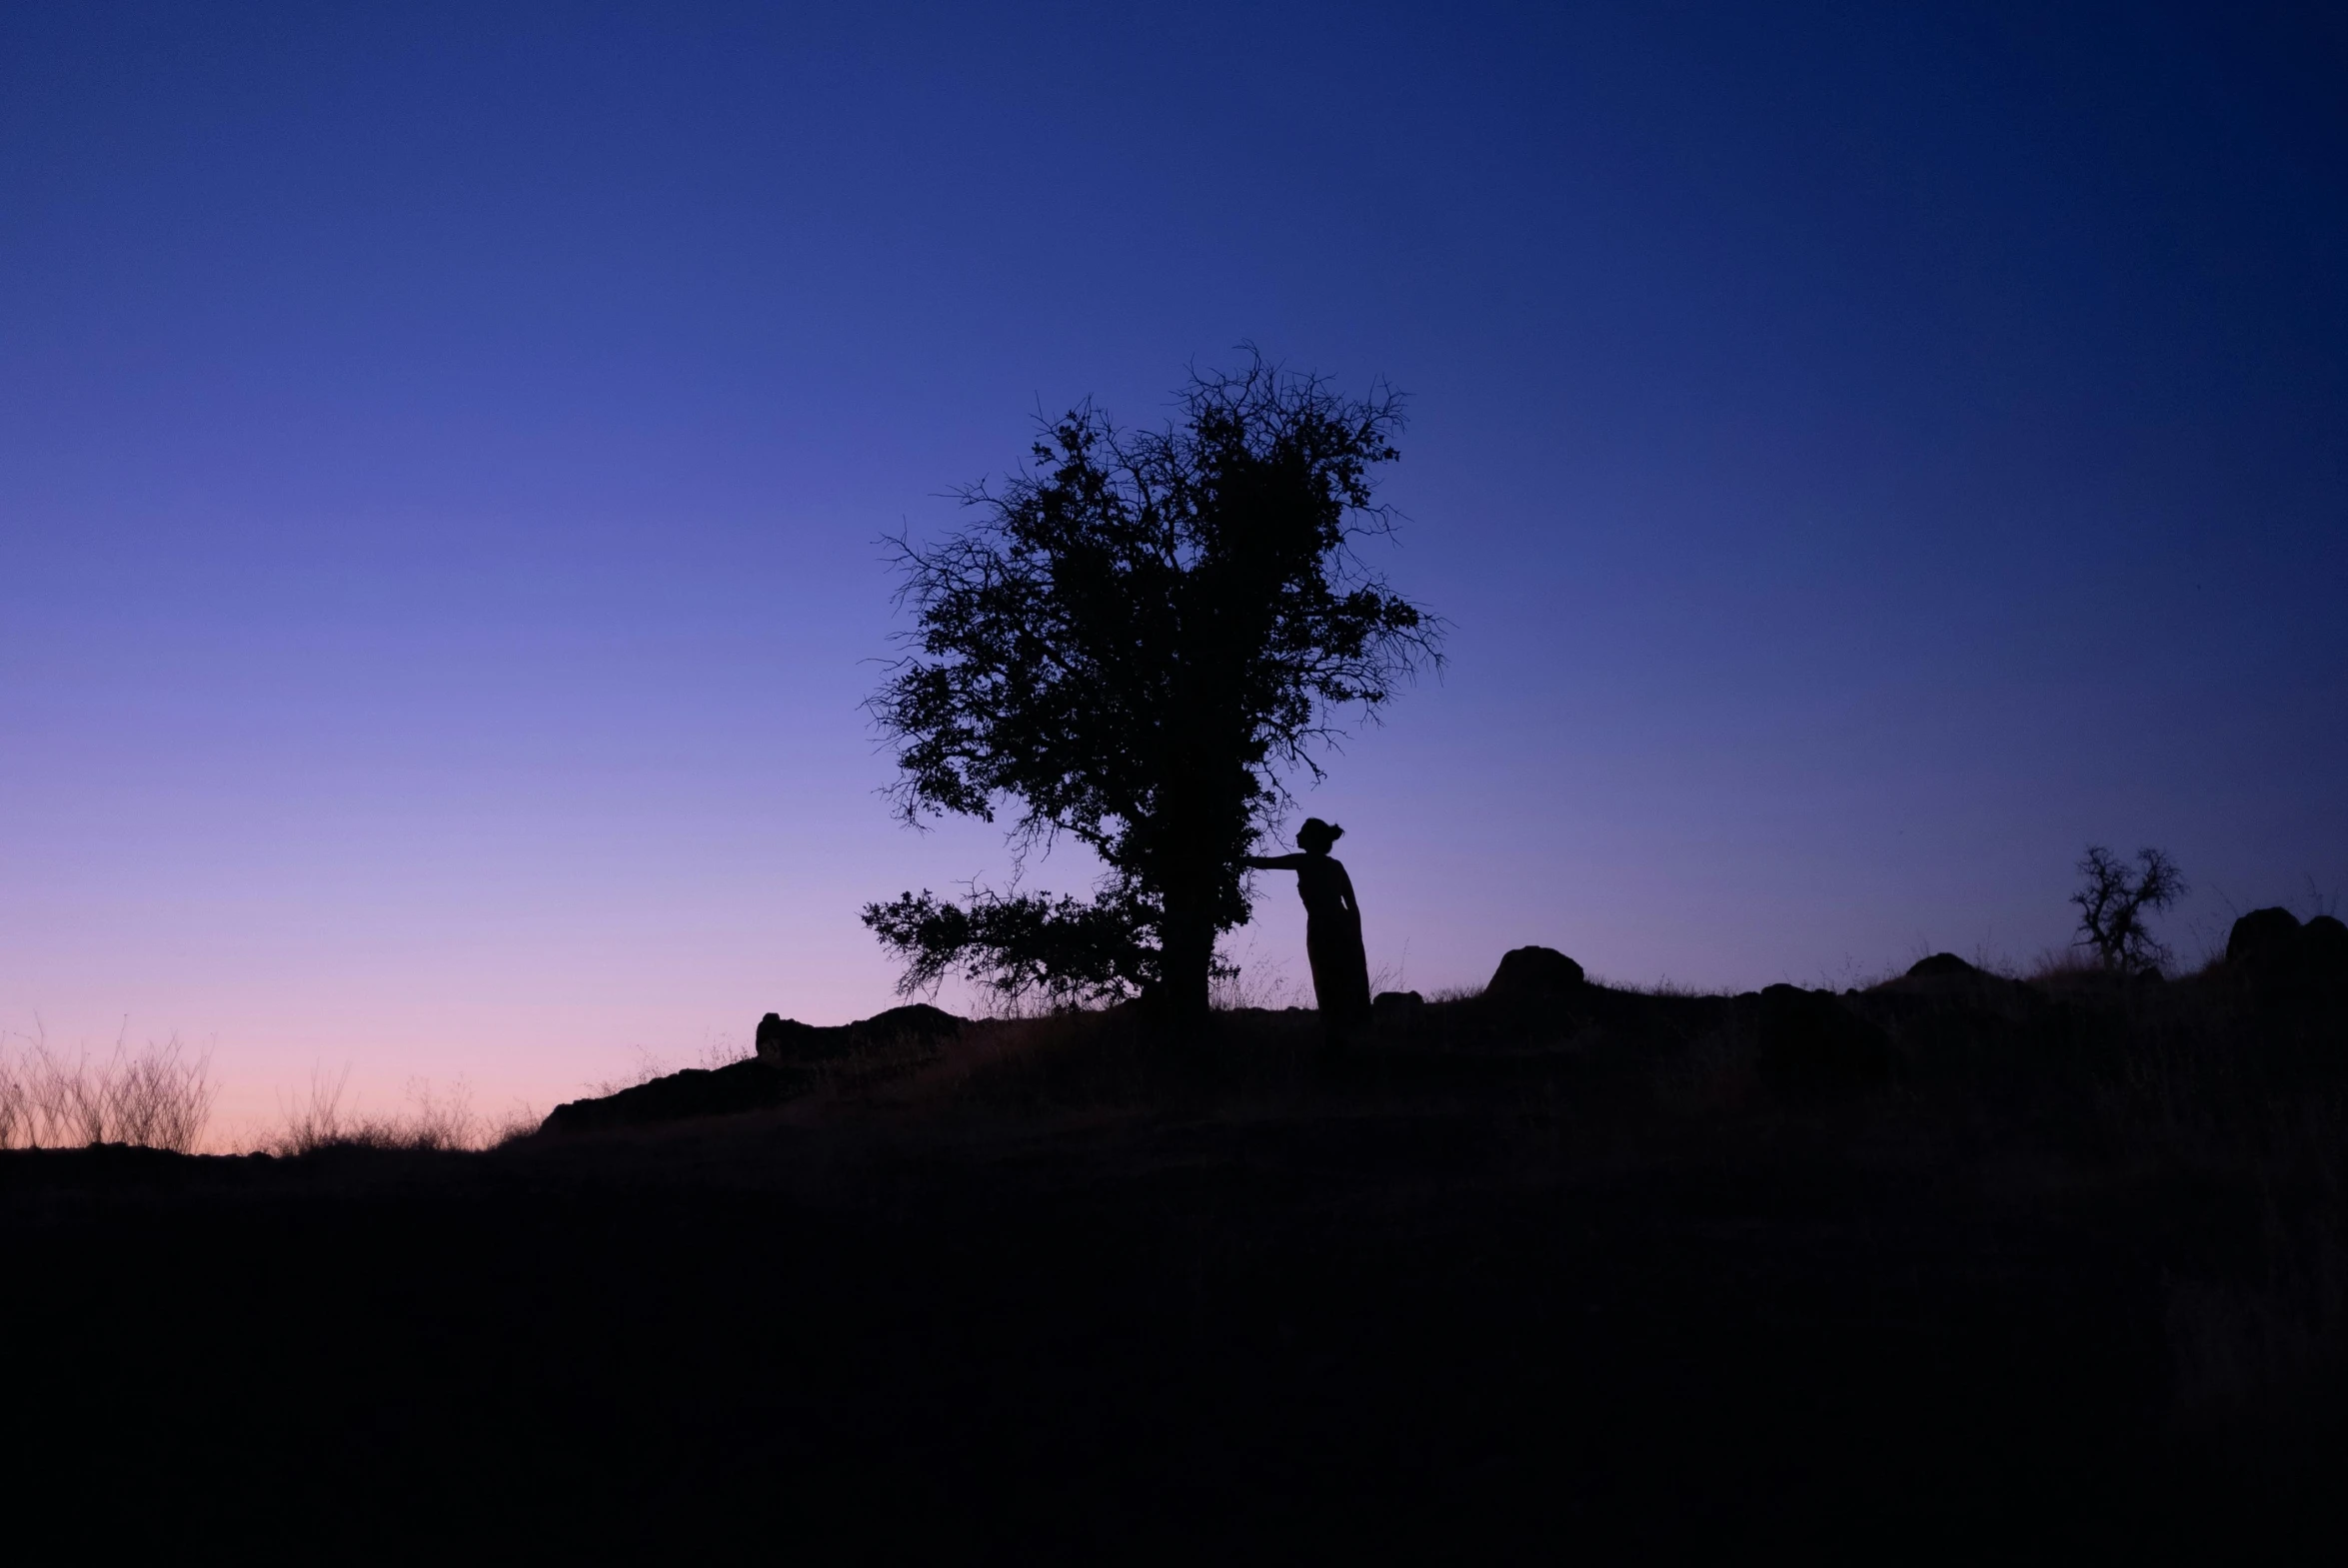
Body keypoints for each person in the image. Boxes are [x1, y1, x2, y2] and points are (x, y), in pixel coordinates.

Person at [1244, 818, 1373, 1042]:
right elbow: (1352, 905)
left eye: (1302, 832)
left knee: (1326, 979)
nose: (1297, 835)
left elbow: (1265, 863)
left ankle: (1333, 1034)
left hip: (1323, 925)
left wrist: (1235, 857)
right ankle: (1349, 1031)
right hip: (1343, 925)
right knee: (1345, 979)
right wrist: (1355, 934)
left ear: (1311, 839)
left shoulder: (1304, 862)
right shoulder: (1336, 866)